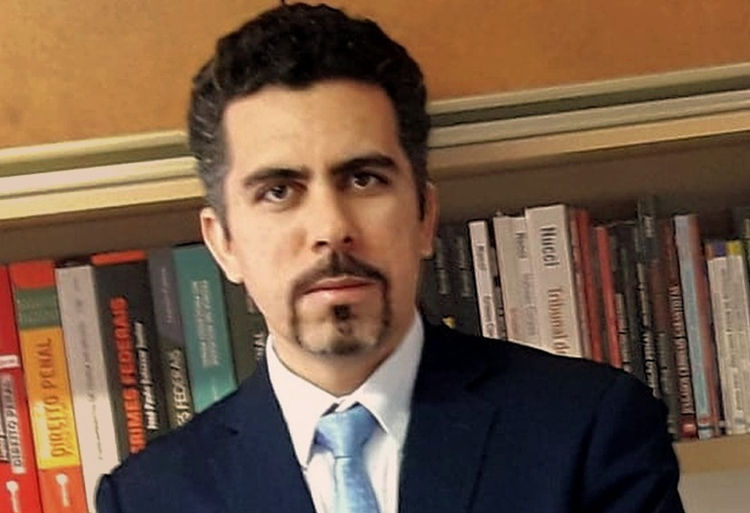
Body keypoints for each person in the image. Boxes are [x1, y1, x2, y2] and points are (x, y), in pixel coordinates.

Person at [96, 3, 684, 512]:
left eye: (364, 179)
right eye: (278, 191)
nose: (331, 229)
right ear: (223, 242)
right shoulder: (148, 499)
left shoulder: (586, 429)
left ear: (424, 216)